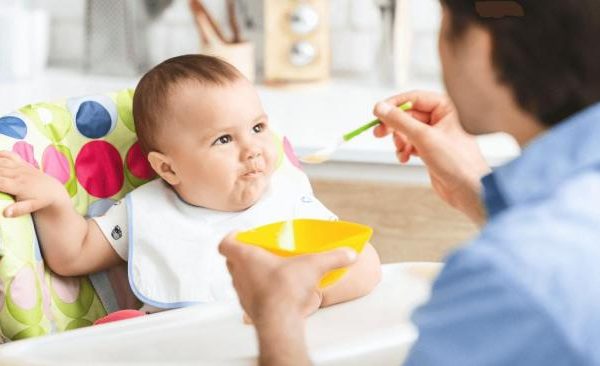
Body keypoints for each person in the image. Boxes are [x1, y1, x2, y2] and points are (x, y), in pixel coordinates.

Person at [219, 0, 600, 364]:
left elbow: (535, 275)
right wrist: (475, 191)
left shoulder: (508, 273)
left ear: (484, 44)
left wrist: (278, 322)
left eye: (444, 25)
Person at [0, 54, 381, 316]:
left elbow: (363, 261)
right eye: (224, 140)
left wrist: (315, 295)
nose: (252, 149)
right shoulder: (146, 212)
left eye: (258, 127)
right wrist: (54, 201)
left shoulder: (286, 194)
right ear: (168, 168)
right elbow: (74, 254)